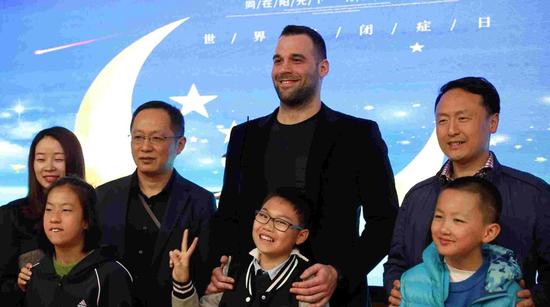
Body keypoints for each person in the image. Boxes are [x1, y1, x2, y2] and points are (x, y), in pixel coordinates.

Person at [205, 25, 398, 306]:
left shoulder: (357, 135)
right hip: (251, 295)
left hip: (329, 298)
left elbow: (385, 221)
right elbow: (229, 217)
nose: (284, 69)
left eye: (297, 59)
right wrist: (218, 265)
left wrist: (339, 272)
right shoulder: (245, 136)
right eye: (277, 60)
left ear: (323, 68)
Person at [383, 77, 550, 306]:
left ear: (493, 122)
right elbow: (397, 261)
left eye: (462, 118)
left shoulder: (534, 194)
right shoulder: (417, 195)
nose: (451, 130)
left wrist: (538, 300)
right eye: (442, 120)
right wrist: (396, 289)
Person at [95, 100, 216, 307]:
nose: (145, 147)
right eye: (138, 137)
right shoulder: (103, 196)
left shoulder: (200, 201)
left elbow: (205, 270)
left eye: (157, 138)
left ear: (180, 145)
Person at [171, 187, 323, 307]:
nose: (267, 226)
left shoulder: (308, 283)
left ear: (301, 236)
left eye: (281, 222)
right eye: (263, 216)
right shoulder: (231, 268)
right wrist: (182, 282)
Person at [399, 176, 522, 306]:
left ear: (489, 232)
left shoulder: (508, 294)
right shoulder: (411, 280)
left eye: (458, 220)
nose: (444, 229)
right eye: (438, 216)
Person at [0, 126, 85, 306]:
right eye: (40, 159)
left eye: (59, 159)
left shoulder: (93, 212)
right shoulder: (9, 216)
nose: (49, 167)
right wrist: (20, 284)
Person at [20, 176, 133, 306]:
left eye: (65, 210)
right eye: (49, 209)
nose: (54, 218)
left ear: (86, 220)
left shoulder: (110, 275)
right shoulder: (33, 274)